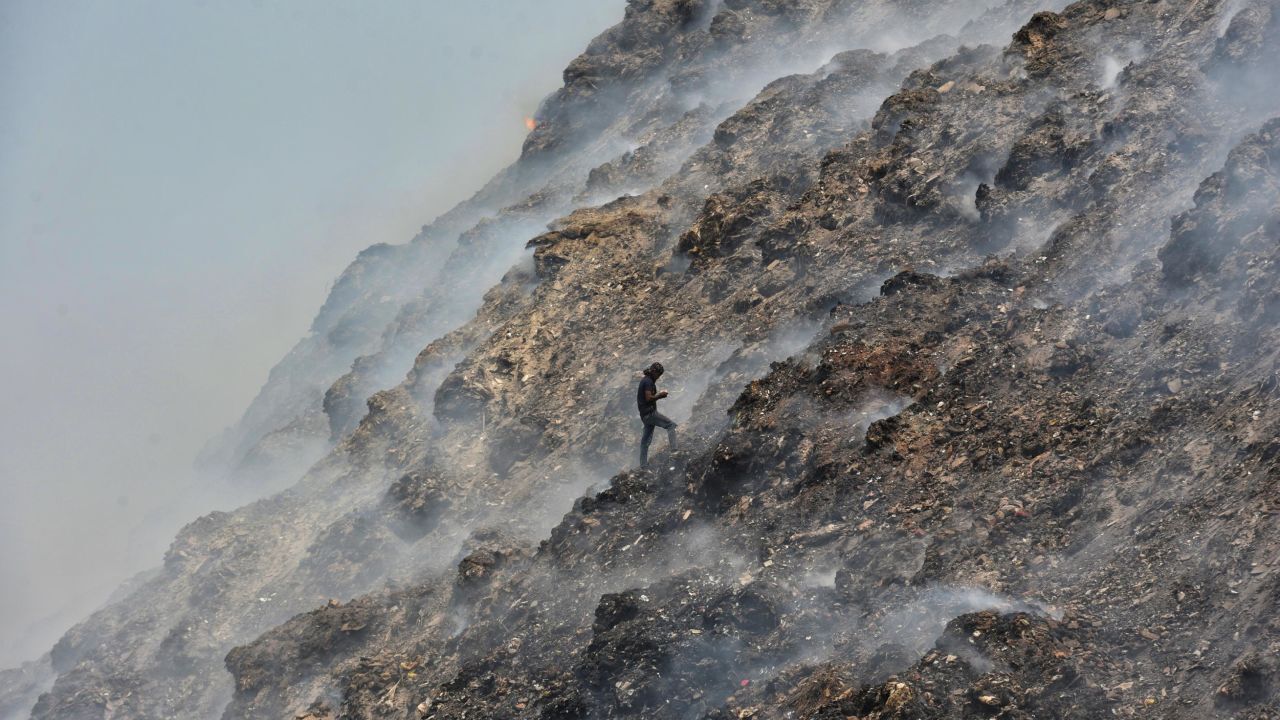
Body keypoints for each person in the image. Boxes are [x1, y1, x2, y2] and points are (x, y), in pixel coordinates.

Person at [637, 362, 676, 467]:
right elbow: (648, 398)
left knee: (645, 442)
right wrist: (660, 395)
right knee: (671, 425)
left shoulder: (646, 380)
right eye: (658, 374)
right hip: (650, 414)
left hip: (645, 415)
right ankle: (675, 451)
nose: (658, 377)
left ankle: (643, 466)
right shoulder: (648, 382)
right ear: (653, 371)